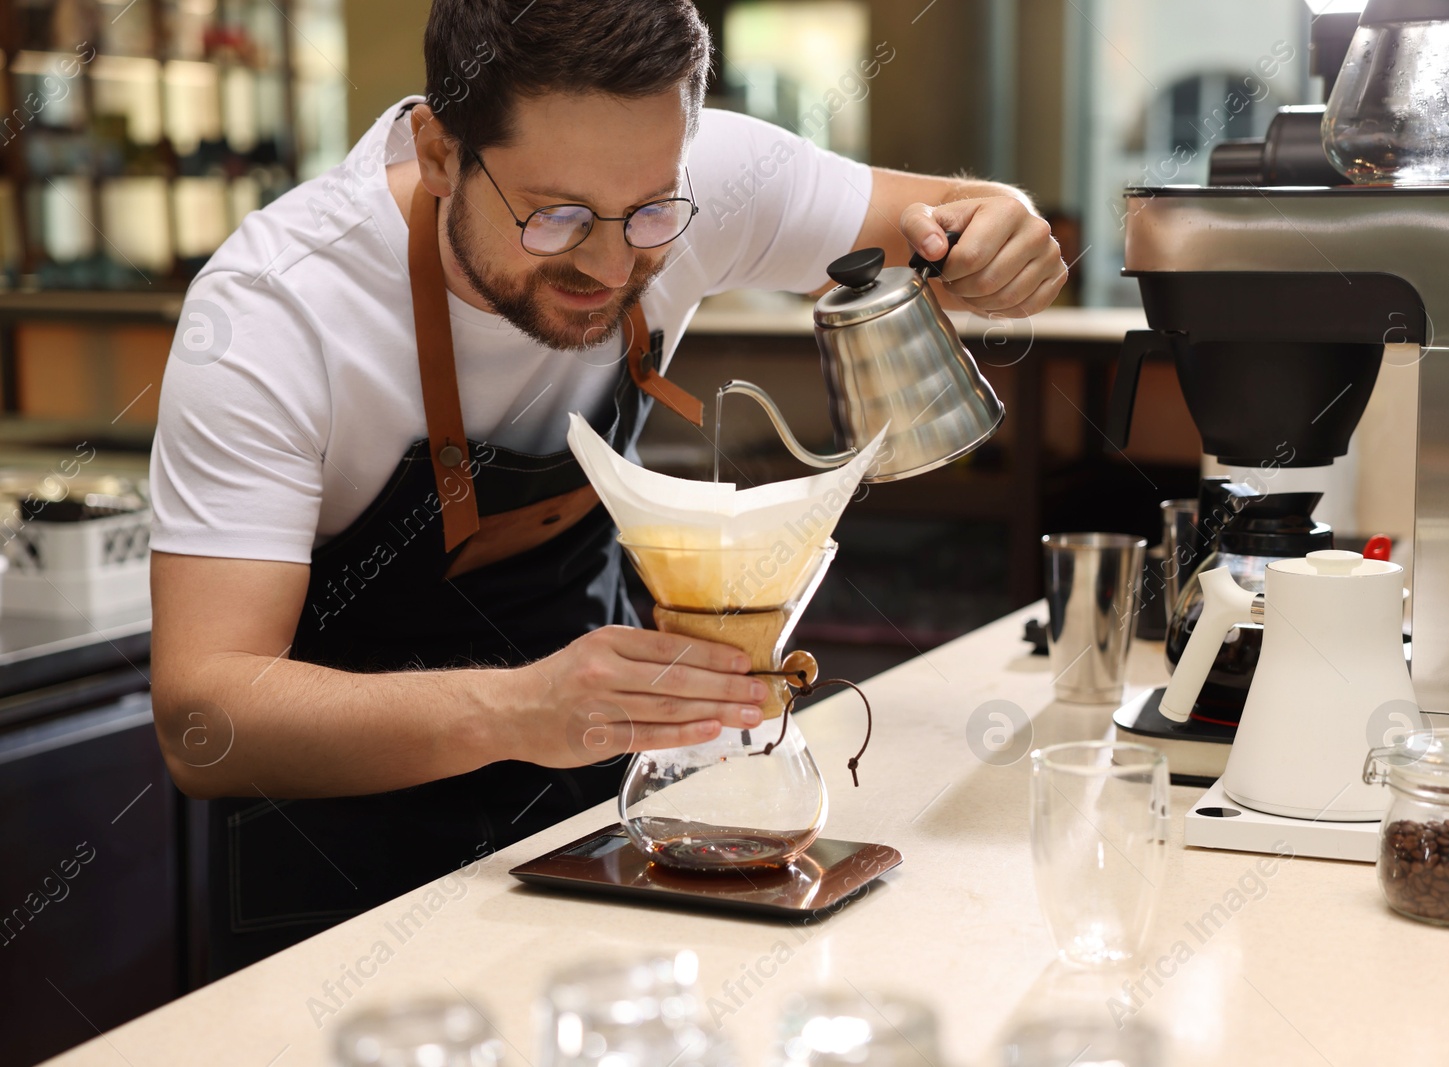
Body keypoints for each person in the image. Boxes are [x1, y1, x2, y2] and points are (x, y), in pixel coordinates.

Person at [149, 0, 1067, 977]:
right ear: (441, 148)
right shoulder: (275, 310)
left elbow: (961, 217)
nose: (608, 261)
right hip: (335, 902)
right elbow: (203, 721)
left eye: (650, 213)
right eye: (557, 216)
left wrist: (1001, 228)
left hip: (594, 844)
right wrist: (517, 710)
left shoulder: (703, 179)